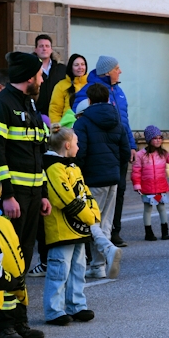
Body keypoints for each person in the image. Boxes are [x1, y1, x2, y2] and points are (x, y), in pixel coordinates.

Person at [0, 51, 50, 338]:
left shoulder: (30, 104)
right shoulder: (0, 104)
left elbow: (38, 153)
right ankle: (1, 325)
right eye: (39, 74)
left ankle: (19, 320)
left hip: (33, 195)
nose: (42, 78)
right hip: (12, 200)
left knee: (23, 258)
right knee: (4, 262)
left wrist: (43, 194)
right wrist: (8, 196)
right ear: (29, 77)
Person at [73, 56, 136, 248]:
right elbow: (80, 115)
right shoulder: (88, 91)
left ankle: (112, 235)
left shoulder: (119, 91)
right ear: (108, 72)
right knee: (97, 204)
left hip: (116, 151)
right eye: (117, 68)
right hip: (101, 155)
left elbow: (125, 122)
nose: (120, 71)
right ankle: (102, 245)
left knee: (117, 195)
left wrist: (131, 145)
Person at [42, 125, 101, 326]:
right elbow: (64, 199)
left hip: (79, 228)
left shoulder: (73, 167)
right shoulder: (53, 167)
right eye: (76, 142)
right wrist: (89, 217)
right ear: (67, 145)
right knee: (59, 269)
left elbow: (85, 192)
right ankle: (54, 310)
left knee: (78, 267)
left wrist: (95, 213)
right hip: (61, 230)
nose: (79, 146)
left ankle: (77, 305)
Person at [73, 84, 129, 279]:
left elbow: (80, 152)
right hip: (112, 177)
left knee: (89, 220)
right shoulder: (117, 120)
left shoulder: (83, 122)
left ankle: (107, 250)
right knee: (105, 222)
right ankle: (99, 266)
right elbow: (125, 152)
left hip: (92, 178)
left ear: (89, 100)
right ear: (107, 99)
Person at [0, 173, 29, 338]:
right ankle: (1, 327)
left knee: (12, 270)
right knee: (0, 281)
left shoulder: (1, 221)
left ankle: (16, 320)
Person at [132, 125, 169, 241]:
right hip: (147, 187)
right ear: (149, 140)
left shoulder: (163, 153)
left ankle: (165, 231)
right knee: (148, 208)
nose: (158, 140)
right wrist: (137, 185)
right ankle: (148, 232)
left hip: (160, 187)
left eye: (160, 138)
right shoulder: (140, 155)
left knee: (161, 208)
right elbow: (136, 171)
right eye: (155, 138)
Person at [47, 54, 88, 132]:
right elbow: (55, 110)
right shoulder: (61, 86)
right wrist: (57, 129)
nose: (80, 67)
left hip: (87, 128)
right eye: (76, 65)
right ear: (70, 68)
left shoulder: (91, 84)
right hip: (67, 129)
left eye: (83, 64)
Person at [33, 35, 67, 125]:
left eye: (47, 46)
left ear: (51, 49)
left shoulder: (62, 69)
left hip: (59, 118)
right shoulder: (30, 69)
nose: (44, 49)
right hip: (36, 116)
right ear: (35, 49)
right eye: (41, 46)